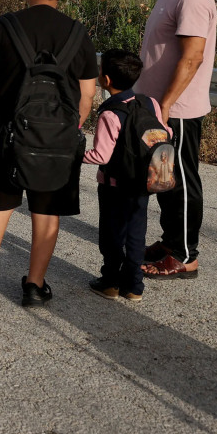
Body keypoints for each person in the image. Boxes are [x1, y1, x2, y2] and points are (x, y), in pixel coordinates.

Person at [0, 0, 98, 308]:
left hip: (6, 132)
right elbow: (88, 93)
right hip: (58, 138)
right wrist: (73, 127)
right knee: (46, 209)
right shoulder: (78, 33)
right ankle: (35, 287)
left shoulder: (4, 27)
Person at [136, 0, 217, 279]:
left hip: (177, 111)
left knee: (180, 181)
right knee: (164, 179)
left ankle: (185, 256)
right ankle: (171, 242)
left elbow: (193, 57)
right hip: (159, 108)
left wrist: (167, 104)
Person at [83, 50, 161, 302]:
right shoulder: (150, 103)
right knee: (136, 235)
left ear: (105, 79)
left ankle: (110, 283)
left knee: (112, 236)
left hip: (114, 187)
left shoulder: (110, 113)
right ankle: (134, 287)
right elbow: (163, 134)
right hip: (143, 184)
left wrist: (74, 155)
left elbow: (101, 156)